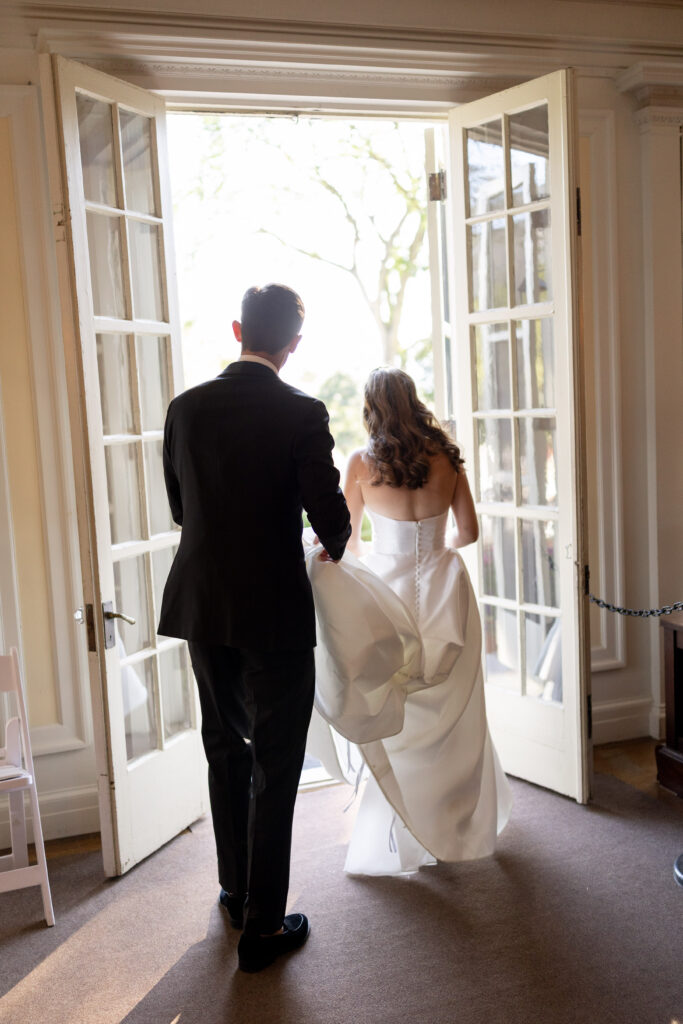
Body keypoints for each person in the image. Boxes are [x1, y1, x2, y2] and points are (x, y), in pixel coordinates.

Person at [158, 284, 351, 972]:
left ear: (238, 328)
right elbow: (326, 510)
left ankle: (236, 892)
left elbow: (181, 507)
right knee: (276, 763)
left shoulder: (184, 408)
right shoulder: (302, 411)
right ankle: (264, 928)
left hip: (204, 602)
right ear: (293, 344)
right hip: (272, 606)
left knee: (224, 747)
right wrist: (333, 540)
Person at [306, 367, 511, 875]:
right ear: (414, 401)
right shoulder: (448, 458)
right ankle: (455, 822)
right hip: (446, 589)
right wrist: (433, 547)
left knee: (396, 705)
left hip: (387, 592)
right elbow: (467, 532)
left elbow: (347, 542)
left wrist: (383, 551)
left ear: (372, 409)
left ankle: (401, 828)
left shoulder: (361, 463)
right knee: (454, 713)